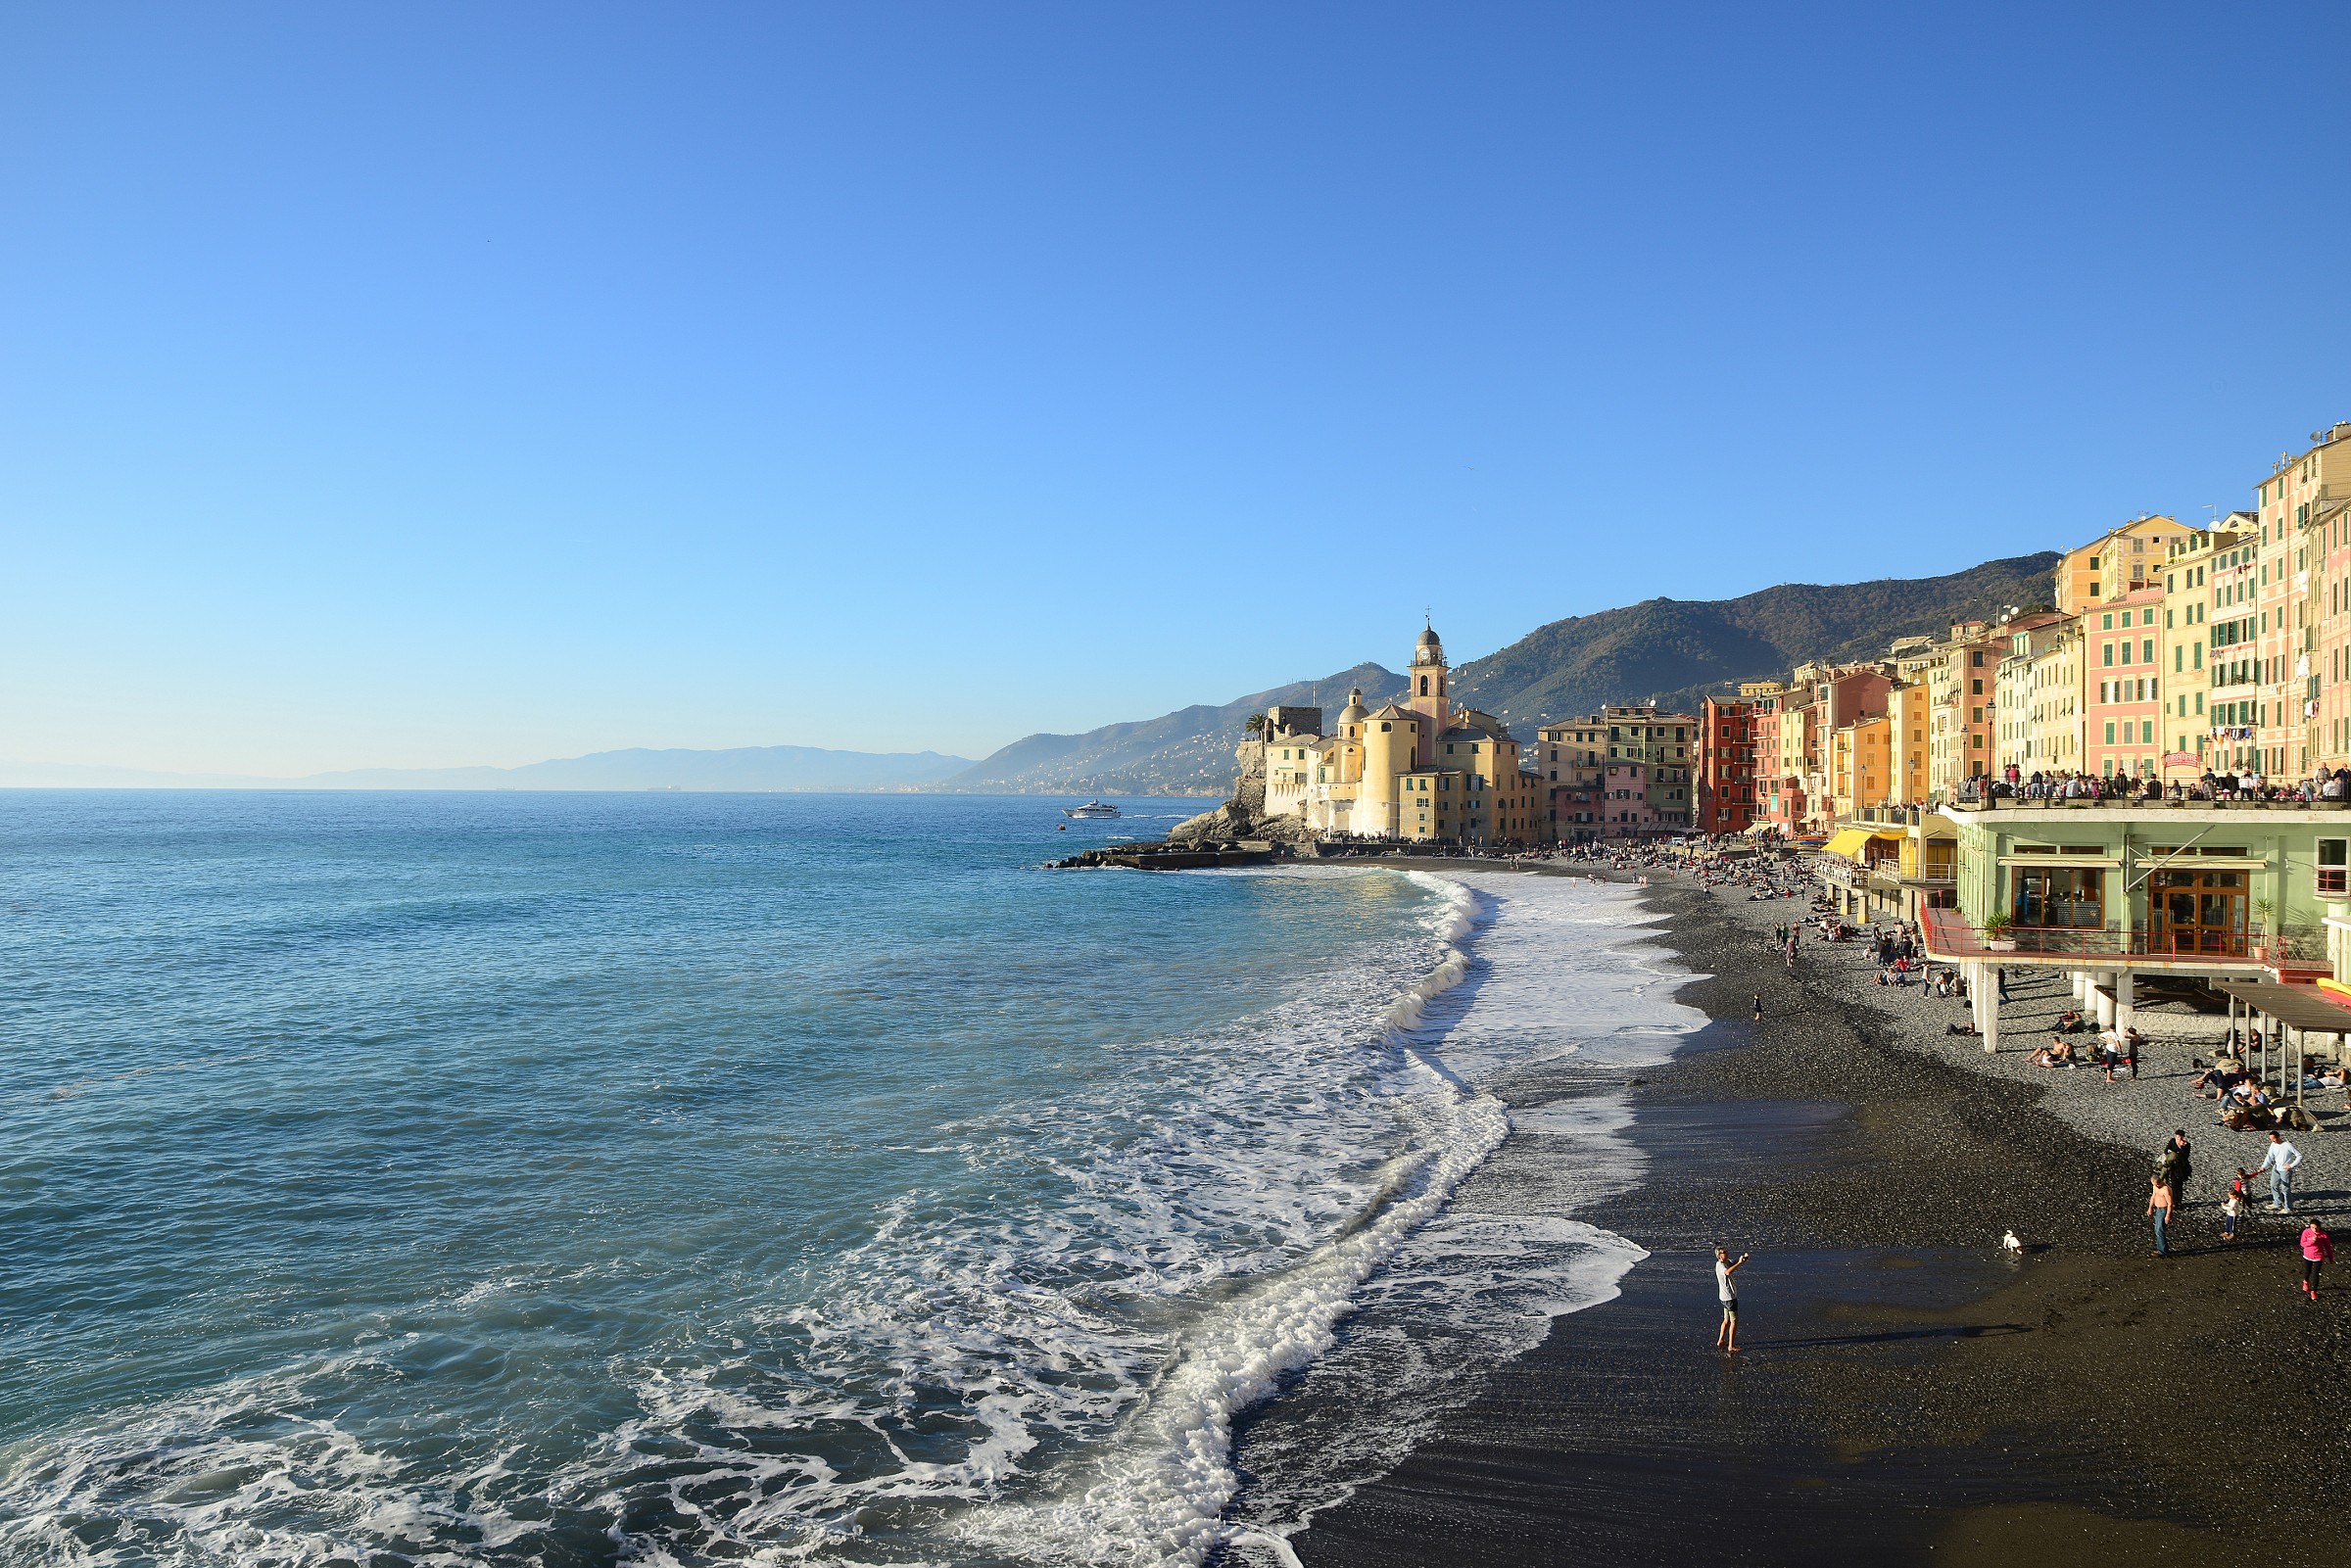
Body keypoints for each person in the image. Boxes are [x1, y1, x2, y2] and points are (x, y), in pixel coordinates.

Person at [1714, 1245, 1750, 1352]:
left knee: (1726, 1320)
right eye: (1724, 1252)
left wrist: (1742, 1260)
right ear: (1719, 1256)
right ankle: (1731, 1346)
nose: (1727, 1253)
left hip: (1724, 1297)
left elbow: (1731, 1263)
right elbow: (1728, 1272)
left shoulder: (1725, 1262)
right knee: (1734, 1321)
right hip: (1729, 1298)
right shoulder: (1720, 1265)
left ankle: (1721, 1340)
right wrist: (1739, 1263)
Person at [2259, 1131, 2303, 1213]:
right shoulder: (2273, 1145)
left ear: (2279, 1137)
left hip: (2285, 1170)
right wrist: (2263, 1166)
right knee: (2273, 1185)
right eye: (2271, 1140)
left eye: (2274, 1139)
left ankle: (2288, 1207)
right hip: (2276, 1168)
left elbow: (2299, 1156)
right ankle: (2277, 1203)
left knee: (2285, 1189)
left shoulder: (2287, 1145)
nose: (2273, 1141)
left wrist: (2291, 1165)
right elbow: (2269, 1156)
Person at [2301, 1219, 2333, 1302]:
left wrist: (2330, 1257)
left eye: (2316, 1228)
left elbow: (2328, 1247)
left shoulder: (2323, 1235)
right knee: (2307, 1272)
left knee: (2316, 1274)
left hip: (2318, 1257)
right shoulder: (2306, 1232)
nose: (2314, 1230)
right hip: (2307, 1256)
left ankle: (2313, 1291)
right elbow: (2302, 1244)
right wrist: (2311, 1241)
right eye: (2312, 1227)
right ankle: (2306, 1281)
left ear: (2319, 1227)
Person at [2147, 1174, 2174, 1258]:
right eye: (2155, 1185)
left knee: (2159, 1230)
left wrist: (2168, 1215)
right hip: (2158, 1210)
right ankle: (2162, 1249)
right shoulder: (2155, 1187)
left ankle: (2162, 1251)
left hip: (2164, 1210)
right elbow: (2153, 1196)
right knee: (2157, 1230)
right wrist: (2150, 1208)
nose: (2156, 1186)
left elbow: (2170, 1203)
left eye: (2157, 1184)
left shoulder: (2166, 1189)